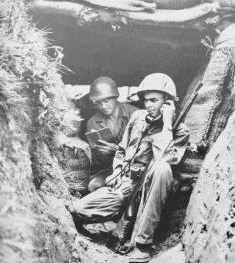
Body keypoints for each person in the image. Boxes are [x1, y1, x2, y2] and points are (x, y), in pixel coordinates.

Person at [68, 73, 190, 263]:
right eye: (146, 100)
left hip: (151, 189)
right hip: (127, 183)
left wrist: (166, 125)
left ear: (167, 101)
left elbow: (166, 159)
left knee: (162, 168)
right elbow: (122, 151)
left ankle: (143, 244)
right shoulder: (138, 118)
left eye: (154, 100)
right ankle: (119, 217)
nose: (148, 105)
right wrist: (117, 173)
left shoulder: (179, 130)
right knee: (78, 210)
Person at [86, 76, 137, 192]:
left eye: (106, 101)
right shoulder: (92, 122)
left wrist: (118, 150)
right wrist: (102, 154)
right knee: (93, 186)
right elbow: (96, 162)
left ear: (115, 97)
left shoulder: (134, 114)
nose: (103, 106)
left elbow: (143, 147)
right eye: (98, 103)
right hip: (108, 169)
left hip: (133, 165)